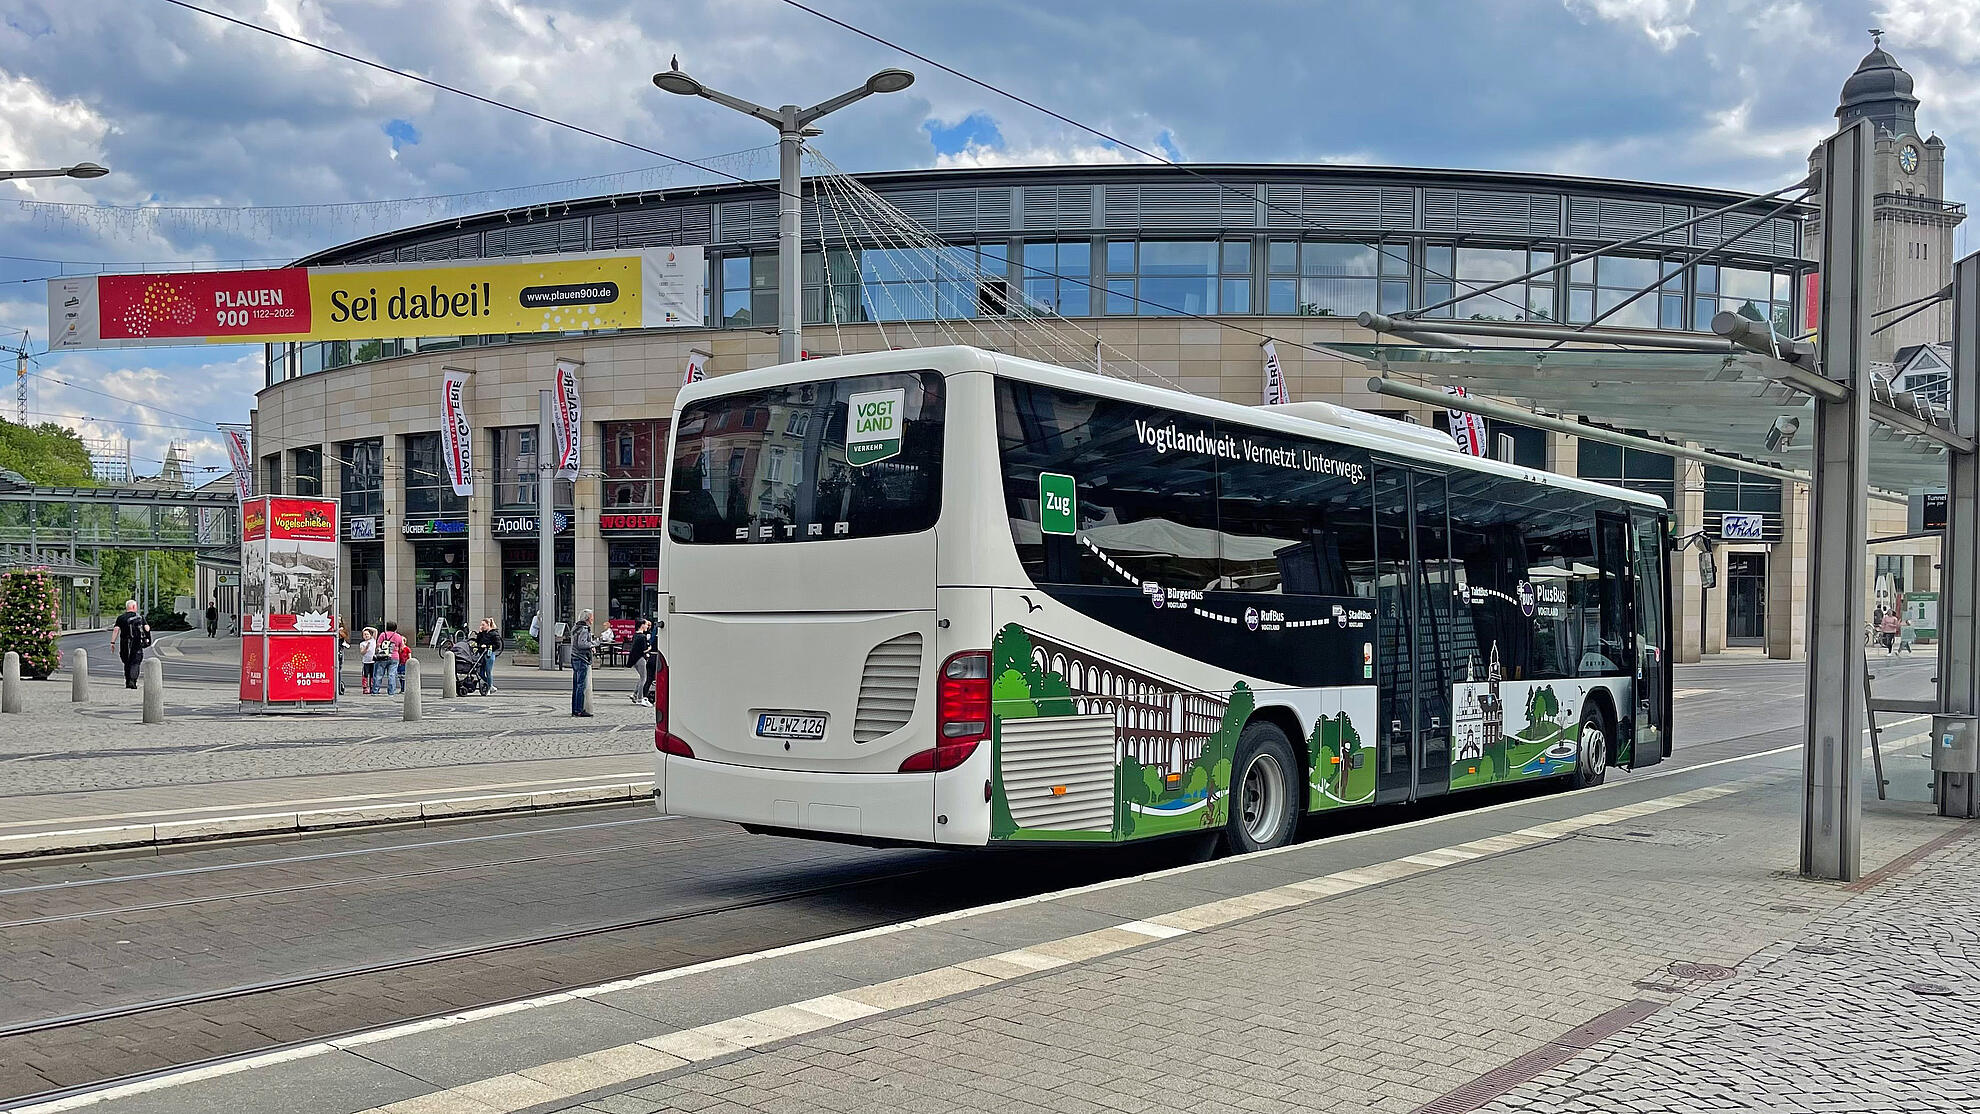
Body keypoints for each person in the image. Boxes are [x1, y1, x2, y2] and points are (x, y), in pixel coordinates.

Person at [109, 599, 148, 690]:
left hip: (124, 642)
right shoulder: (139, 617)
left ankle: (127, 681)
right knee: (136, 662)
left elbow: (116, 630)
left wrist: (112, 642)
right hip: (136, 642)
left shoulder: (121, 618)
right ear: (134, 607)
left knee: (127, 662)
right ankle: (133, 681)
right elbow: (147, 628)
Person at [570, 609, 595, 717]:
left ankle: (575, 709)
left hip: (575, 657)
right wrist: (593, 644)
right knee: (581, 685)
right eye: (592, 617)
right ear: (588, 618)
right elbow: (582, 644)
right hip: (582, 658)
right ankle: (579, 710)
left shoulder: (576, 627)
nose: (593, 618)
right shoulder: (584, 629)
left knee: (576, 685)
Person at [627, 619, 653, 707]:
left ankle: (635, 694)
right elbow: (644, 649)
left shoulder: (635, 635)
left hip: (635, 659)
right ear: (642, 625)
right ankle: (640, 698)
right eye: (646, 625)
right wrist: (650, 648)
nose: (647, 627)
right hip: (640, 659)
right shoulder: (642, 636)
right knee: (644, 678)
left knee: (642, 677)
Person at [474, 618, 501, 694]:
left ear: (488, 624)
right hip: (482, 653)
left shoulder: (494, 633)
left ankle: (489, 687)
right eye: (481, 625)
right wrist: (479, 632)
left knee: (488, 671)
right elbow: (478, 641)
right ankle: (490, 684)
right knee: (480, 672)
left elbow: (498, 645)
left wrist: (487, 646)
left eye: (483, 625)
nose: (482, 626)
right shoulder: (483, 633)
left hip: (489, 654)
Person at [359, 626, 377, 694]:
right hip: (366, 661)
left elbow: (375, 630)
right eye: (364, 634)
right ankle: (365, 688)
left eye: (367, 634)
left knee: (373, 675)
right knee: (365, 675)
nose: (366, 635)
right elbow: (362, 653)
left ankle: (372, 687)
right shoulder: (362, 643)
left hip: (373, 661)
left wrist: (367, 628)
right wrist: (366, 648)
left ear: (370, 635)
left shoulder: (373, 640)